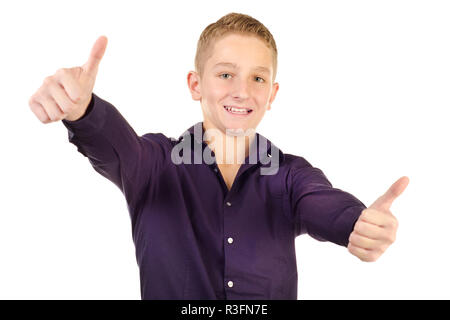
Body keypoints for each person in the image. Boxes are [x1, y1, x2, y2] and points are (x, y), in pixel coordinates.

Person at [28, 12, 409, 300]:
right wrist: (83, 110)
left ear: (272, 94)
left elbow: (327, 207)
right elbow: (114, 144)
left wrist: (360, 225)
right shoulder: (155, 163)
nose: (242, 91)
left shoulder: (291, 175)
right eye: (226, 74)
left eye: (257, 78)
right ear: (196, 84)